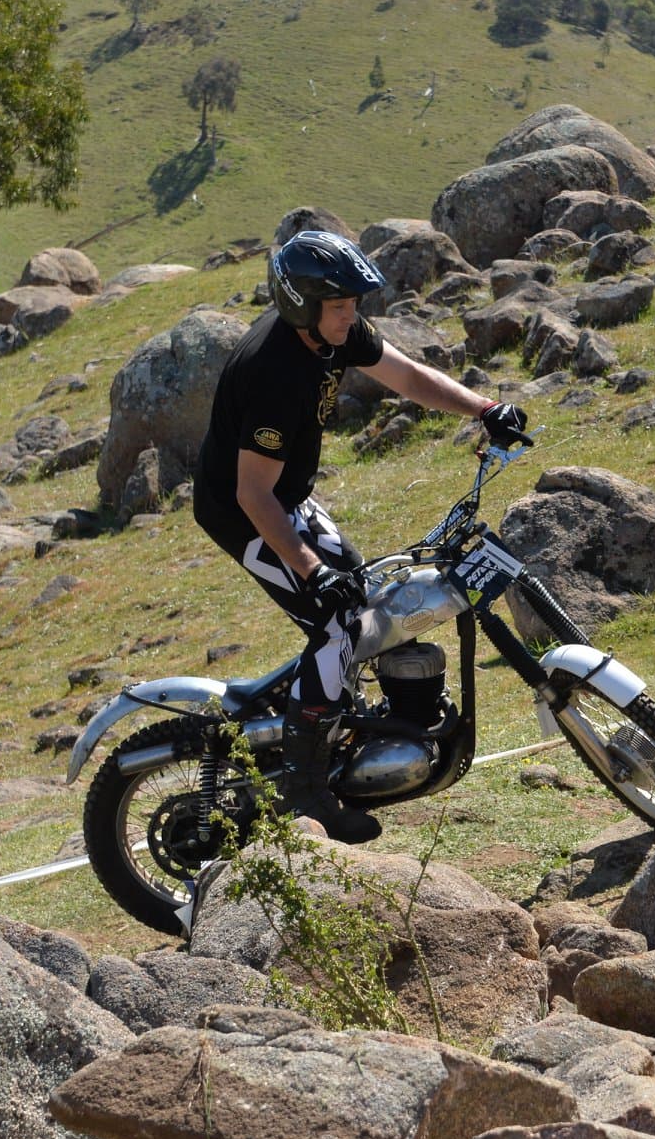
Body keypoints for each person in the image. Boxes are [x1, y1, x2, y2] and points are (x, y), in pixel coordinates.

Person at [192, 230, 530, 842]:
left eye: (354, 305)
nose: (354, 316)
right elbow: (251, 495)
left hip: (282, 496)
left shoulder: (333, 330)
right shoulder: (275, 373)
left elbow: (406, 376)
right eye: (342, 306)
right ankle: (306, 792)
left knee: (365, 598)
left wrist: (483, 410)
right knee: (335, 619)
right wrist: (310, 571)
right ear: (304, 306)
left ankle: (337, 723)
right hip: (243, 510)